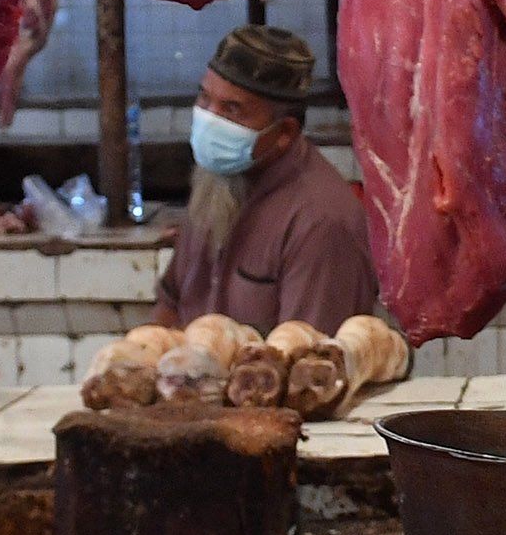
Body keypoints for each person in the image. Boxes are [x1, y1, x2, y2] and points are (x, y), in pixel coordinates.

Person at [148, 22, 376, 336]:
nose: (210, 119)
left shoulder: (322, 222)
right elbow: (170, 302)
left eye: (232, 109)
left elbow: (306, 364)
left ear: (284, 133)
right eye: (204, 99)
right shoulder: (216, 182)